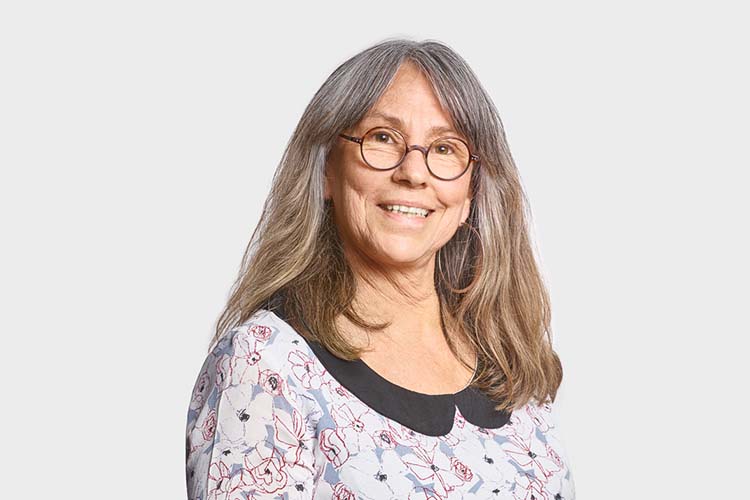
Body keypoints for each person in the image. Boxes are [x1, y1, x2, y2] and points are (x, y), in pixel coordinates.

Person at [186, 38, 575, 499]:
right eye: (383, 138)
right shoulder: (264, 364)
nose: (414, 172)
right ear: (326, 170)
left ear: (471, 192)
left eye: (445, 148)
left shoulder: (509, 365)